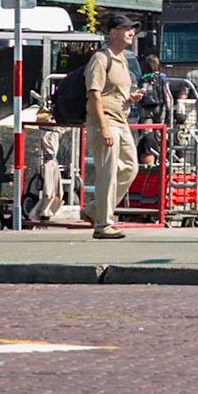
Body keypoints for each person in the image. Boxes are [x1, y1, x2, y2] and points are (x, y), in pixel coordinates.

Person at [84, 15, 140, 239]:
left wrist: (130, 97)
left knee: (129, 167)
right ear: (113, 33)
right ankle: (103, 224)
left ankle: (94, 210)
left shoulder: (122, 59)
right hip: (105, 120)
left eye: (132, 29)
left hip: (121, 118)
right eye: (126, 28)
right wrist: (104, 127)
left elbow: (113, 91)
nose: (131, 33)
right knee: (107, 171)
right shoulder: (100, 58)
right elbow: (94, 94)